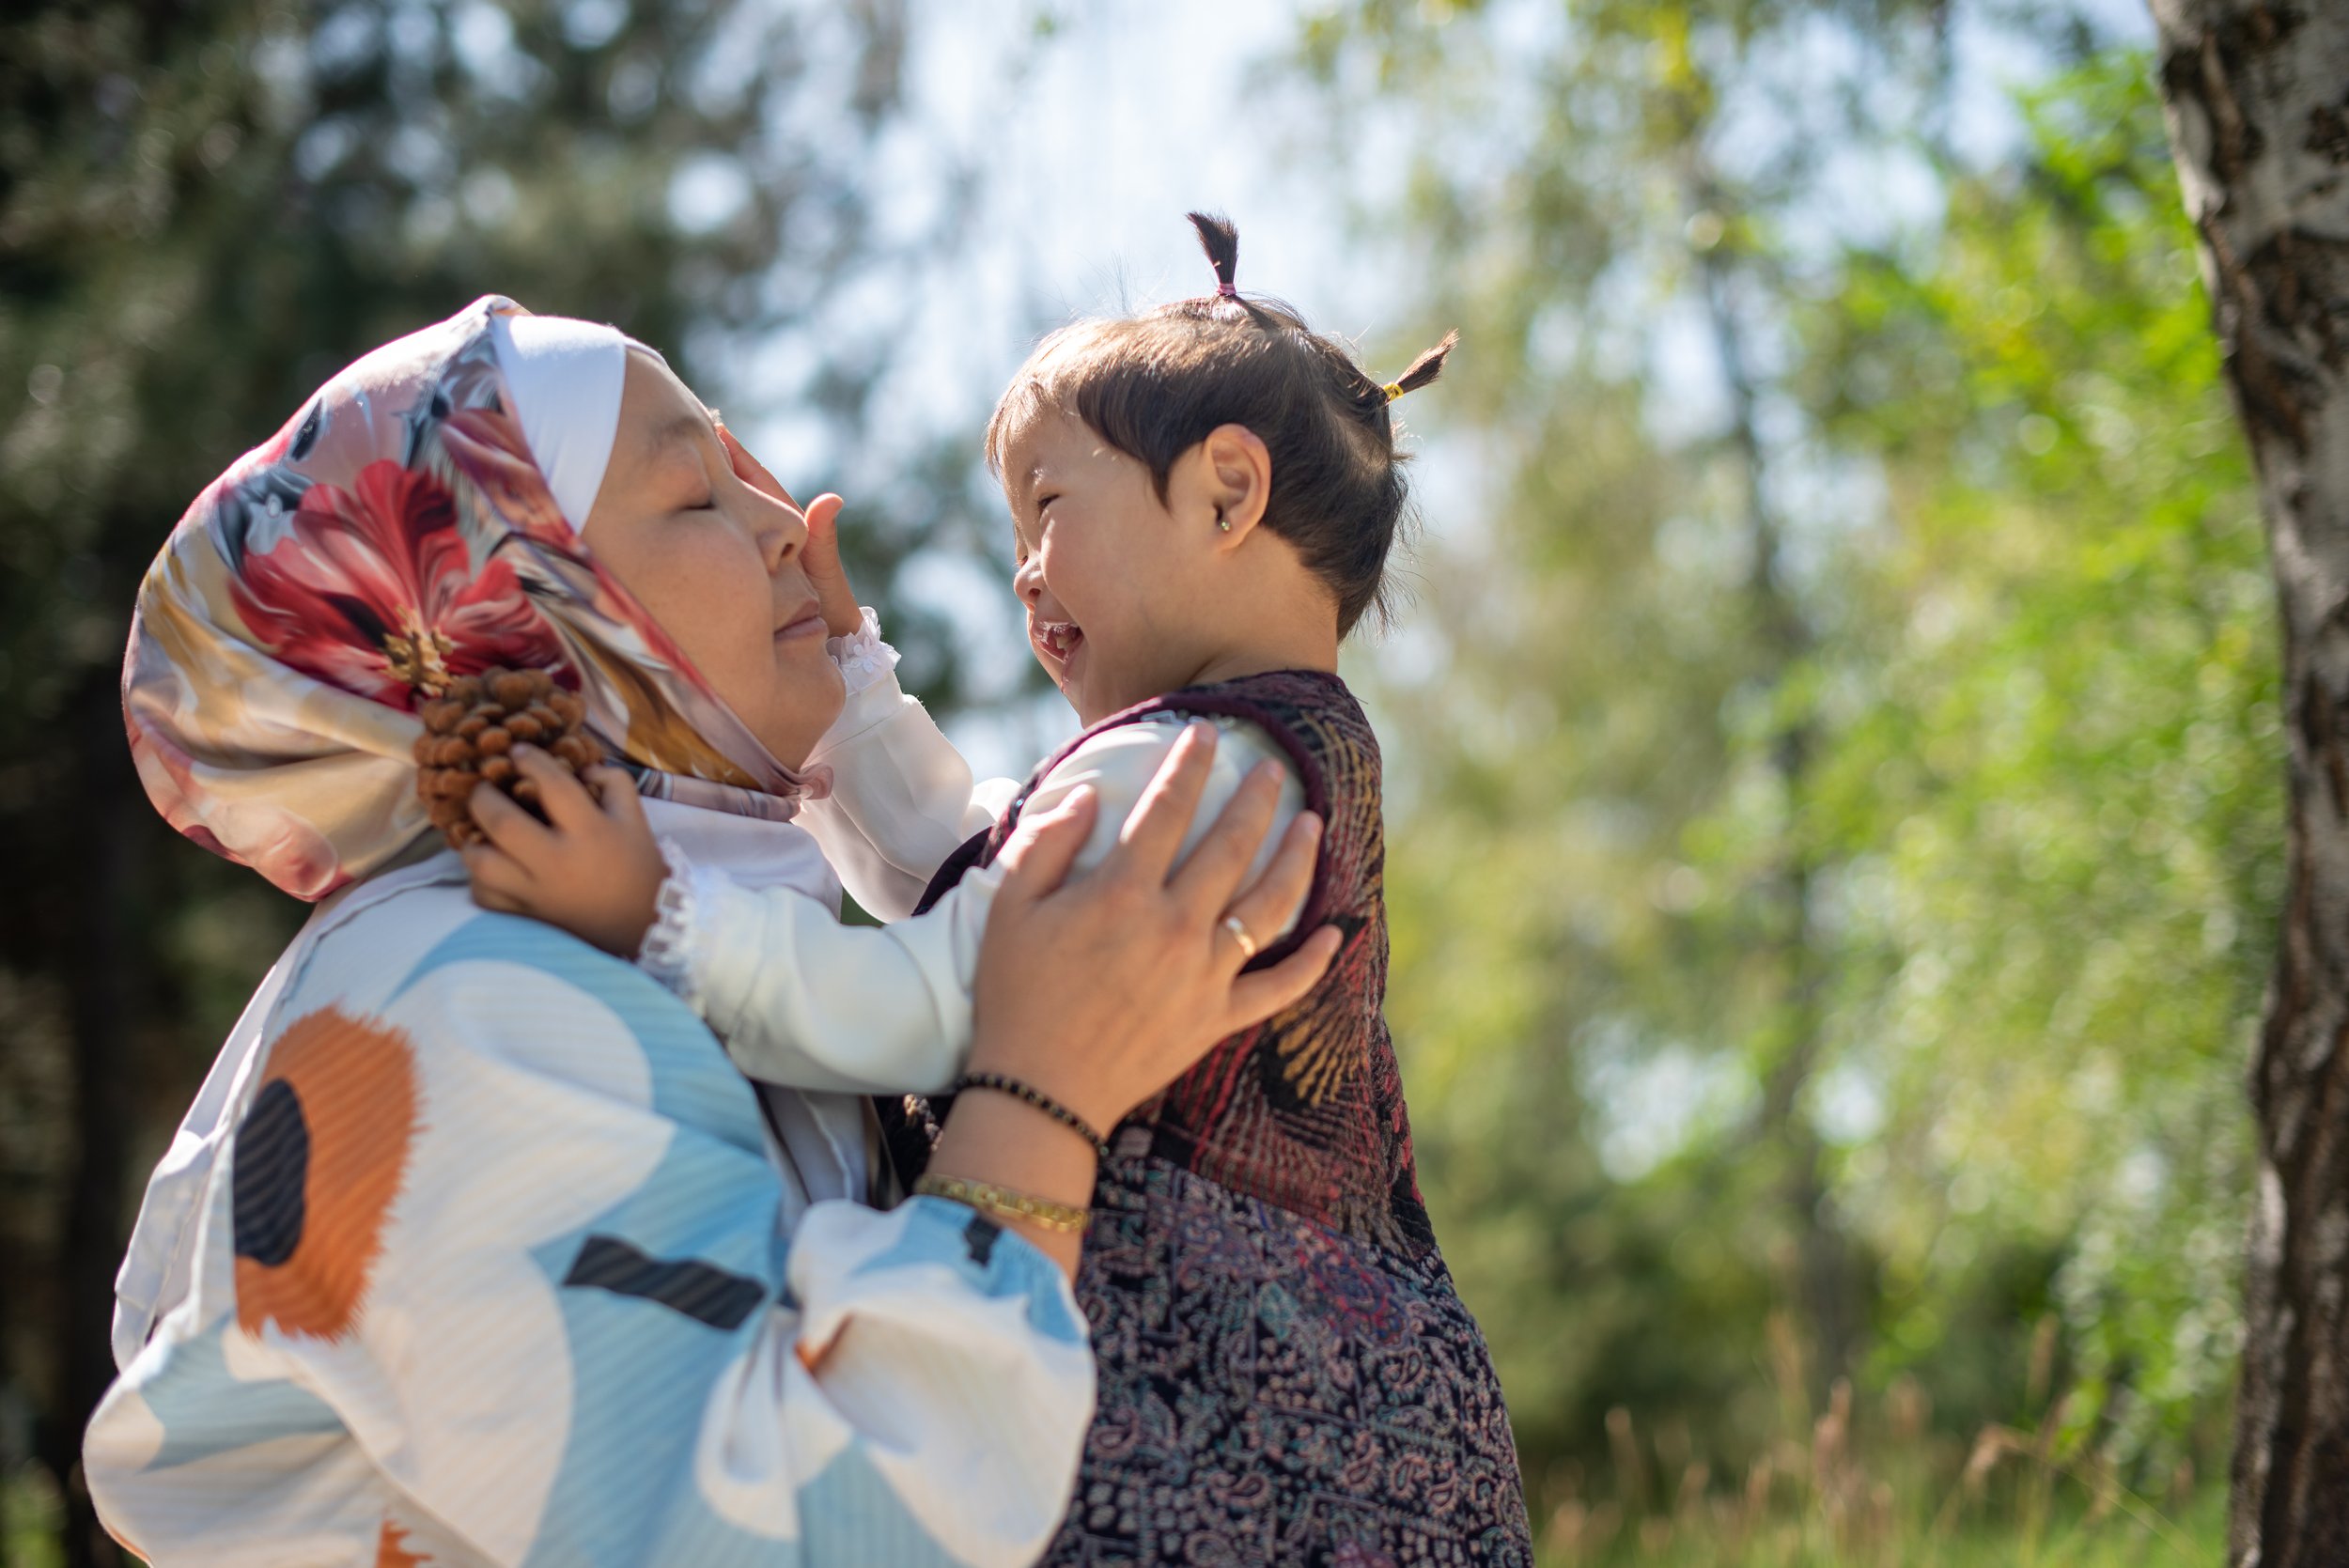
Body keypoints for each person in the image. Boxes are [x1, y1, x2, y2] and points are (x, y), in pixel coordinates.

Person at [84, 295, 1335, 1567]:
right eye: (698, 496)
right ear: (530, 612)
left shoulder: (622, 961)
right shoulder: (460, 999)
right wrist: (1044, 1099)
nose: (791, 526)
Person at [467, 216, 1538, 1566]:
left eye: (1047, 508)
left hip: (1210, 1410)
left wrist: (663, 921)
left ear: (1226, 494)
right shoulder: (1250, 754)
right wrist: (853, 677)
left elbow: (937, 995)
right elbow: (968, 866)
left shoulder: (1189, 775)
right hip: (1353, 1410)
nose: (1024, 569)